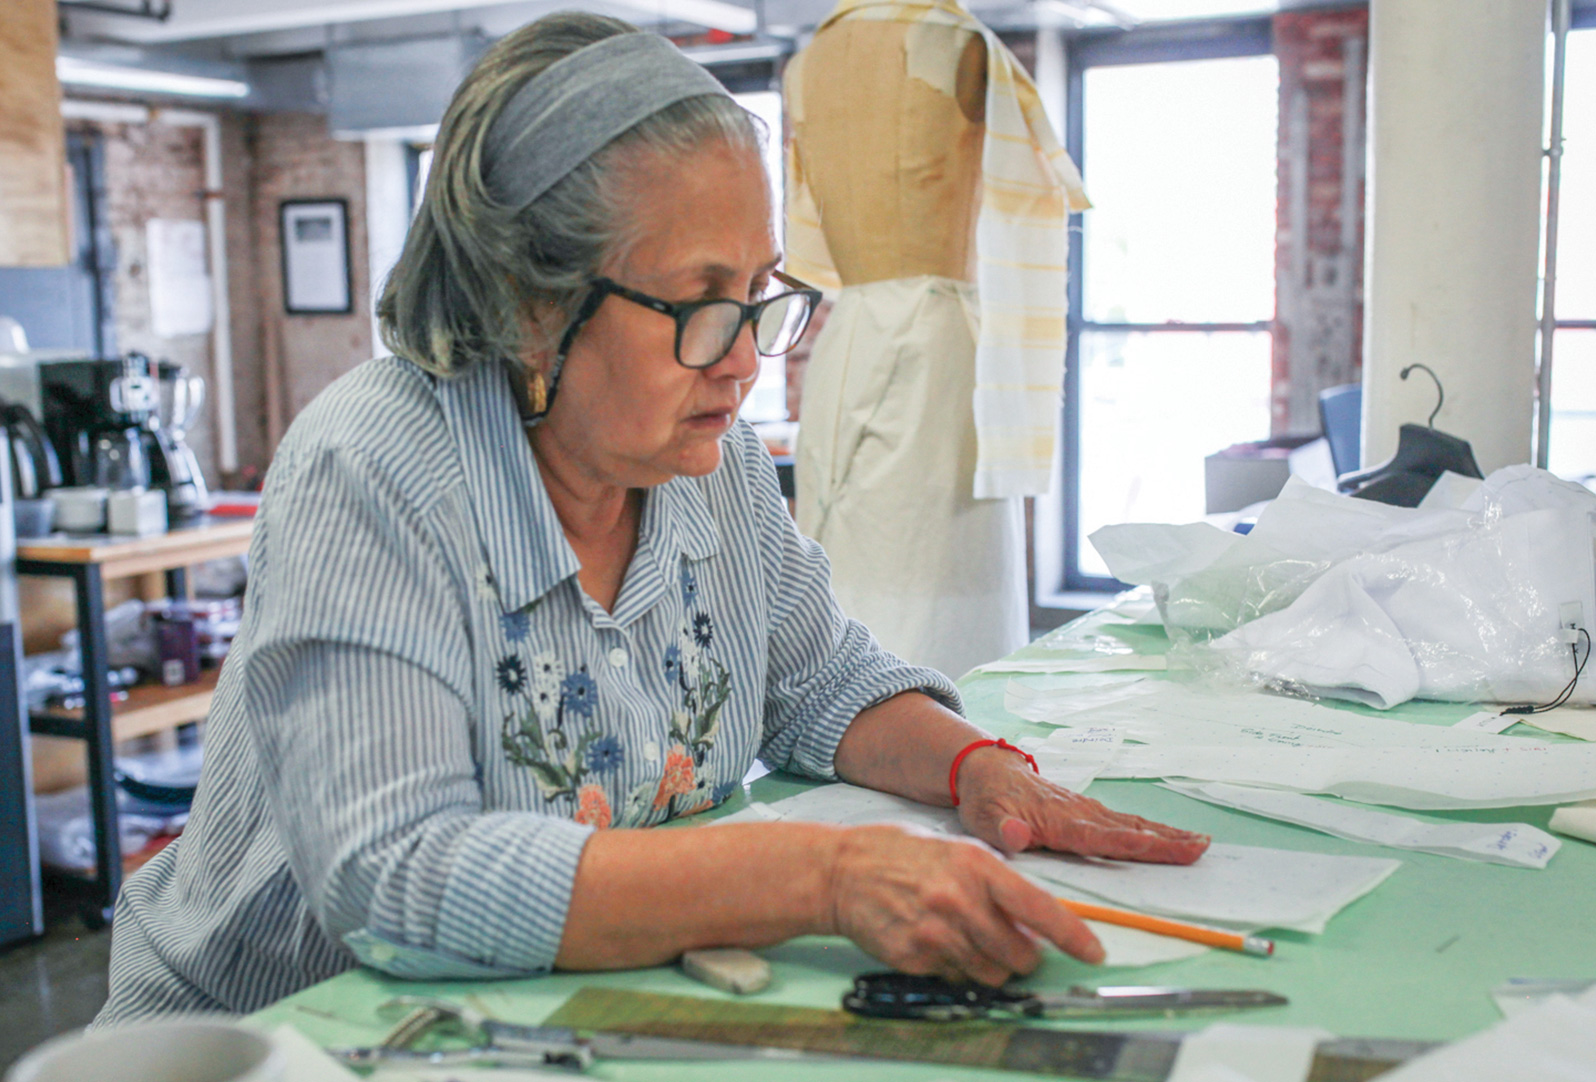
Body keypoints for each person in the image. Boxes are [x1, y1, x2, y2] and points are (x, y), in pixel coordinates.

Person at [95, 12, 1208, 1025]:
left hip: (538, 1019)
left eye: (762, 292)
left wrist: (975, 768)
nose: (742, 362)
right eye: (700, 302)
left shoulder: (698, 464)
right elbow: (400, 876)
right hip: (270, 1035)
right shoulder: (374, 471)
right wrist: (823, 878)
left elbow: (818, 678)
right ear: (532, 309)